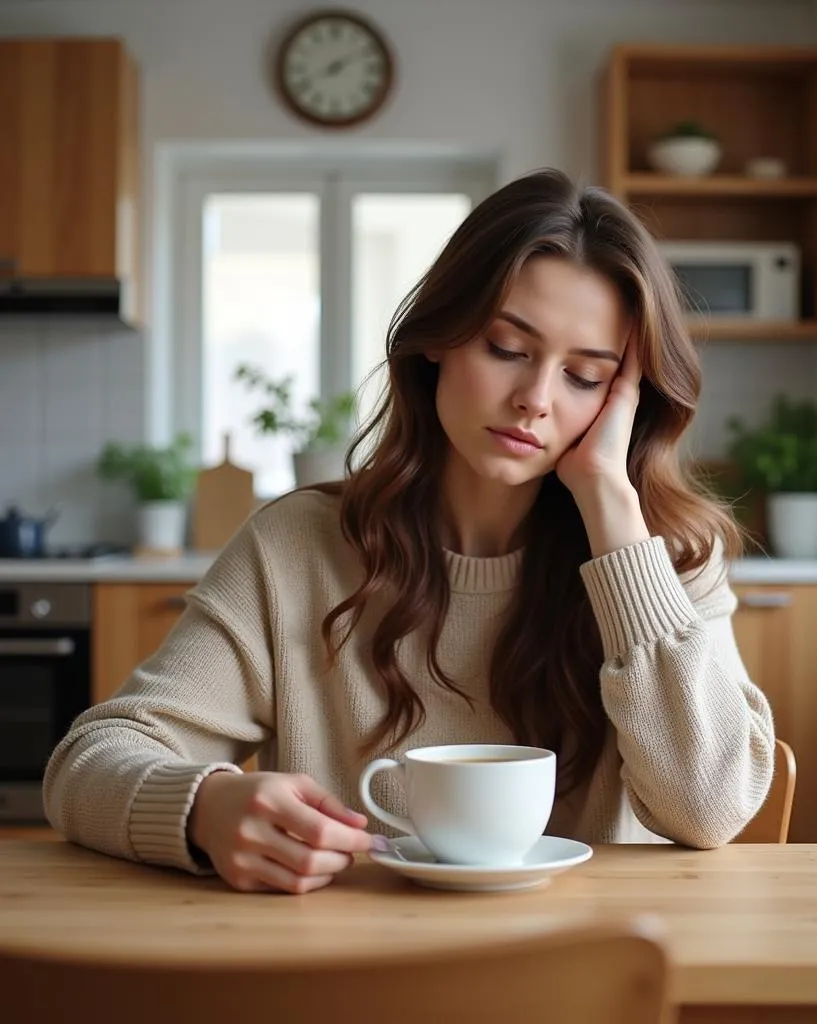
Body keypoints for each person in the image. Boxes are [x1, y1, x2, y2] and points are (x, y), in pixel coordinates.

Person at [44, 168, 775, 894]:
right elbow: (89, 760)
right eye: (507, 349)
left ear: (625, 400)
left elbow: (710, 810)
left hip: (580, 978)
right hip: (347, 974)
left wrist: (610, 504)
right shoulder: (297, 547)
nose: (534, 400)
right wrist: (202, 807)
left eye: (585, 377)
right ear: (441, 339)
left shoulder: (665, 562)